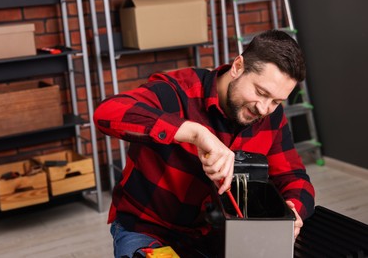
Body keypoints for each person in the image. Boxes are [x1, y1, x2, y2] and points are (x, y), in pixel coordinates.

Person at [93, 29, 315, 257]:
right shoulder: (177, 91)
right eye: (260, 92)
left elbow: (295, 178)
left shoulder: (270, 117)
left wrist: (292, 211)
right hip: (147, 229)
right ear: (238, 67)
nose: (263, 108)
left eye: (276, 101)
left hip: (212, 234)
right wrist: (195, 133)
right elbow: (106, 112)